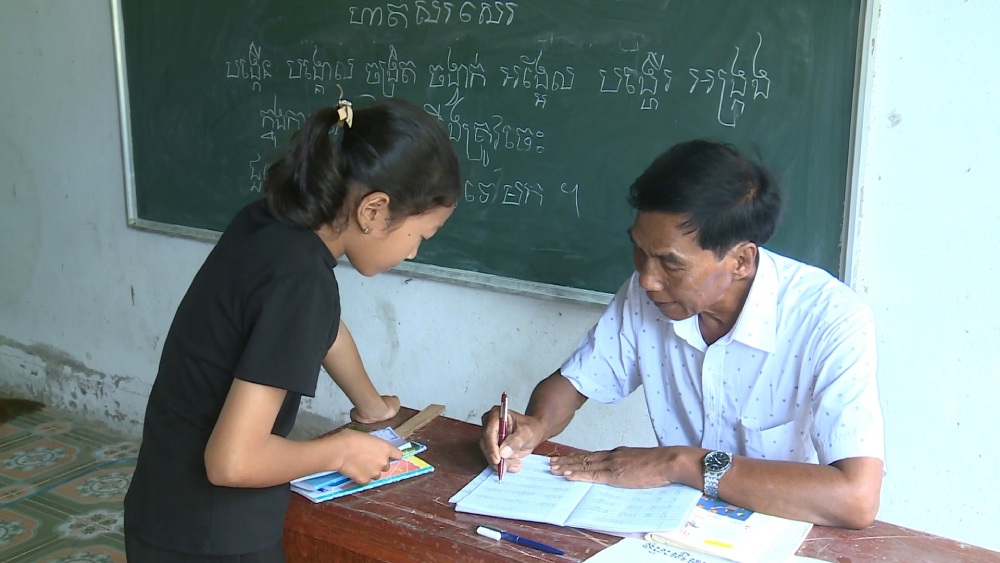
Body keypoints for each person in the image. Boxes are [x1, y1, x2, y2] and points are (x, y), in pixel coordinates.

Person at [480, 140, 885, 529]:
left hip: (772, 526)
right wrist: (533, 425)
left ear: (741, 260)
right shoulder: (647, 293)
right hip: (670, 525)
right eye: (639, 251)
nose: (647, 278)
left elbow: (856, 498)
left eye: (670, 264)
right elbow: (574, 382)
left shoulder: (829, 320)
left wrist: (678, 462)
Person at [124, 96, 461, 561]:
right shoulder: (303, 281)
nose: (412, 254)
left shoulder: (272, 225)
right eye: (420, 237)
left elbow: (325, 330)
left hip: (162, 506)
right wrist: (340, 451)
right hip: (212, 535)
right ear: (375, 211)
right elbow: (231, 461)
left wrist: (370, 405)